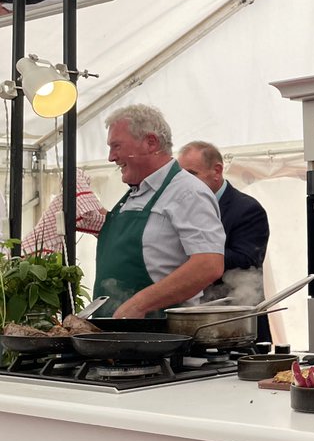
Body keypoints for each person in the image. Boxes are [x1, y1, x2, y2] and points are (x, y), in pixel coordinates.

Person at [95, 105, 225, 318]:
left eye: (116, 146)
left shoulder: (188, 192)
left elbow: (209, 264)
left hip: (159, 335)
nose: (111, 157)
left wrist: (138, 305)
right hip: (116, 333)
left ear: (151, 142)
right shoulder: (134, 193)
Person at [177, 141, 271, 339]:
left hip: (237, 319)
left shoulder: (247, 209)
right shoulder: (182, 208)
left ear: (217, 171)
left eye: (191, 174)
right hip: (197, 318)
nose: (184, 182)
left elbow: (246, 259)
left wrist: (197, 255)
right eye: (180, 176)